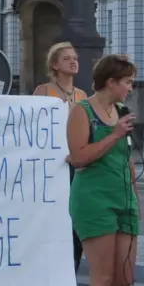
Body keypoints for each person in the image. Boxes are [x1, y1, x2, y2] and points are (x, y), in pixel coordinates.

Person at [64, 54, 140, 286]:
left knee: (125, 277)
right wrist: (113, 135)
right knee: (103, 276)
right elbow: (78, 157)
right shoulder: (82, 111)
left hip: (123, 198)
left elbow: (127, 158)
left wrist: (135, 196)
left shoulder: (121, 112)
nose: (131, 88)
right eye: (127, 82)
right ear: (111, 82)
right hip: (93, 199)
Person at [35, 42, 90, 270]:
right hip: (53, 164)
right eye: (66, 58)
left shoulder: (82, 95)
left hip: (76, 162)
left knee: (77, 215)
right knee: (55, 216)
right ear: (54, 64)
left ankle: (73, 264)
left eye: (75, 57)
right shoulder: (44, 91)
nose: (73, 61)